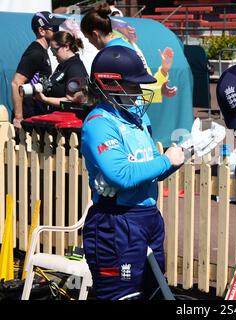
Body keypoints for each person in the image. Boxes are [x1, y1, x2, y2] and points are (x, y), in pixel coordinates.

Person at [80, 45, 185, 300]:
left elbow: (149, 171)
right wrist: (165, 161)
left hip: (147, 219)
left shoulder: (137, 119)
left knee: (154, 294)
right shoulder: (99, 123)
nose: (139, 92)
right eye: (133, 86)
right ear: (111, 85)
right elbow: (121, 174)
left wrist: (175, 161)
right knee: (123, 296)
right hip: (116, 224)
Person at [80, 4, 176, 100]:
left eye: (88, 38)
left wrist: (159, 90)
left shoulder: (114, 54)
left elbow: (136, 88)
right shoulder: (126, 46)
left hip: (124, 111)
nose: (89, 42)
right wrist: (159, 90)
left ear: (95, 34)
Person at [11, 11, 65, 129]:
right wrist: (19, 117)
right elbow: (16, 83)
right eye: (54, 28)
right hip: (28, 117)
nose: (58, 31)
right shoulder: (35, 53)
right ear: (41, 31)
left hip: (37, 113)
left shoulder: (42, 51)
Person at [34, 31, 88, 109]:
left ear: (66, 47)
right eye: (51, 51)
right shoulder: (63, 65)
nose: (53, 54)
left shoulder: (75, 68)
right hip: (56, 116)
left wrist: (45, 99)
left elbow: (73, 101)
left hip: (68, 118)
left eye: (55, 50)